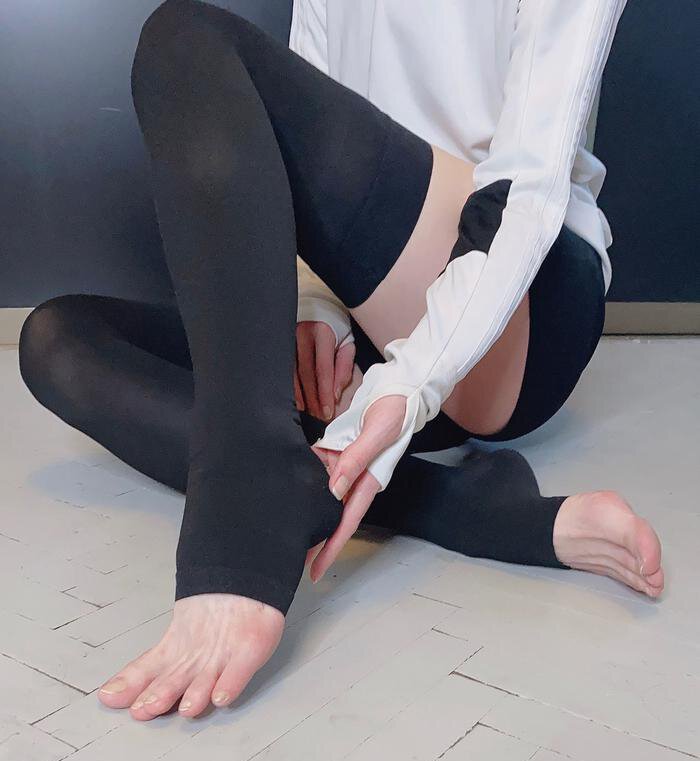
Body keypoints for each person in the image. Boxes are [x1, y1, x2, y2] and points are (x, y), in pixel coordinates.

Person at [18, 0, 663, 722]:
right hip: (380, 313)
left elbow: (525, 194)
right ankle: (469, 509)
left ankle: (246, 500)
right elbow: (301, 151)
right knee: (60, 343)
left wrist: (410, 382)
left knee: (185, 41)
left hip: (520, 308)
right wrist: (317, 310)